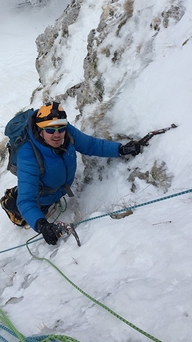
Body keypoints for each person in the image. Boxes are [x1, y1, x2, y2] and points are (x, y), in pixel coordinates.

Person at [16, 102, 143, 245]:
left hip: (59, 188)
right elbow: (26, 201)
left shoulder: (67, 133)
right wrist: (41, 225)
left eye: (60, 128)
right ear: (40, 131)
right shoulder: (28, 155)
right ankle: (10, 202)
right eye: (50, 130)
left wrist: (120, 149)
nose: (57, 134)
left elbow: (90, 145)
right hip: (44, 196)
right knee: (23, 211)